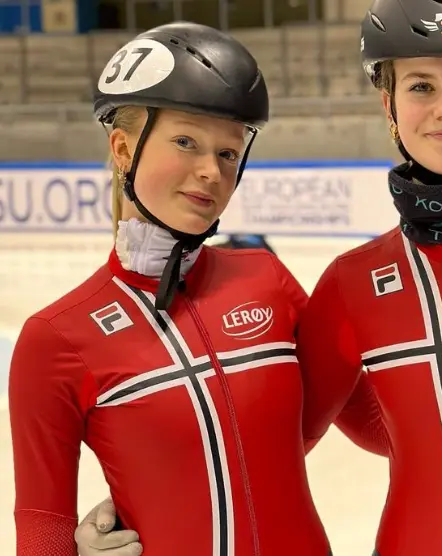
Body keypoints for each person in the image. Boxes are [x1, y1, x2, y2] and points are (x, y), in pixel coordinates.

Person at [75, 0, 442, 554]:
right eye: (421, 86)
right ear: (389, 106)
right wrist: (136, 506)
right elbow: (264, 447)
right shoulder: (354, 282)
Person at [10, 21, 344, 556]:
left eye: (229, 153)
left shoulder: (267, 279)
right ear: (122, 149)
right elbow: (41, 529)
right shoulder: (55, 339)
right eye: (186, 141)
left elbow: (358, 426)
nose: (211, 170)